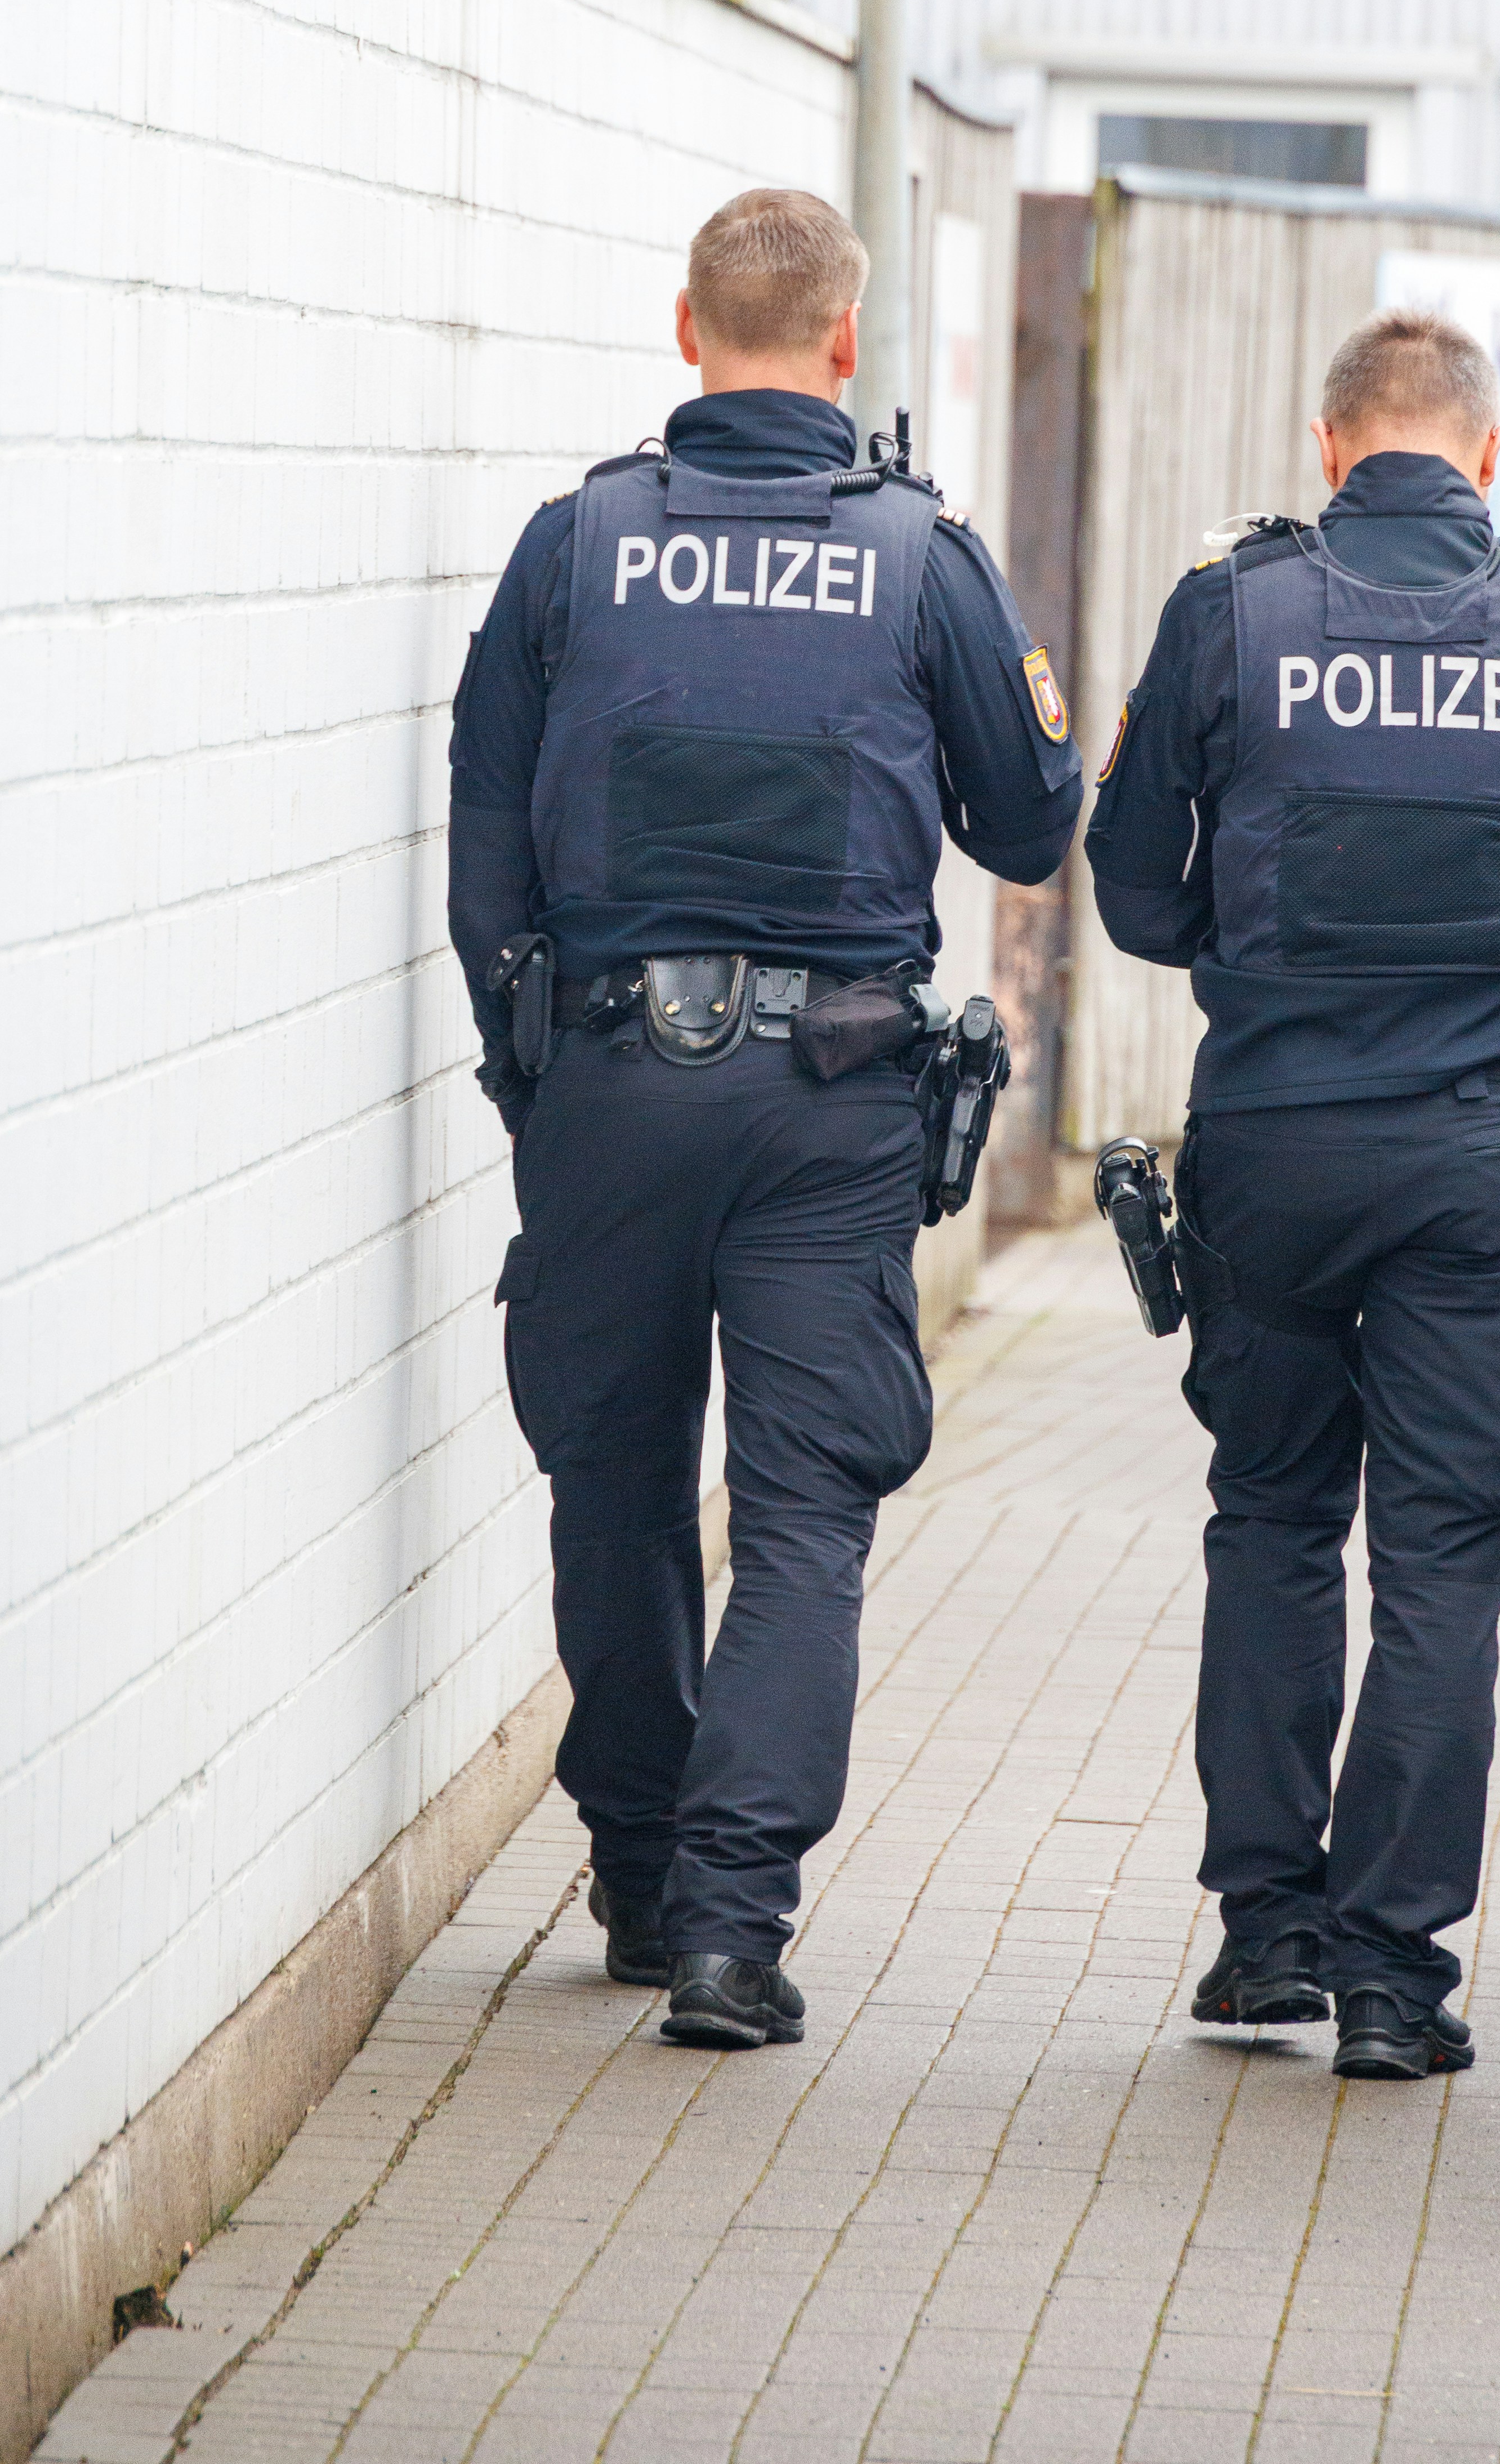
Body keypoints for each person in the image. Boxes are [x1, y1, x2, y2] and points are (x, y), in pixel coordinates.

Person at [449, 187, 1082, 2048]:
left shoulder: (574, 544)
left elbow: (486, 852)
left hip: (613, 1087)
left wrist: (539, 1077)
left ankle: (639, 1880)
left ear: (684, 327)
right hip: (833, 1102)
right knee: (804, 1518)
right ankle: (733, 1933)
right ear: (847, 345)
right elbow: (1034, 827)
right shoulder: (920, 552)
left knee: (618, 1482)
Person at [1086, 304, 1500, 2079]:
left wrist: (1264, 960)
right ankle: (1389, 1985)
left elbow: (1136, 891)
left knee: (1273, 1520)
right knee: (1442, 1559)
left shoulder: (1232, 611)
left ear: (1328, 446)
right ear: (1488, 456)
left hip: (1269, 1144)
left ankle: (1266, 1937)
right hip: (1472, 1155)